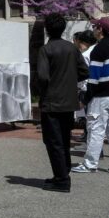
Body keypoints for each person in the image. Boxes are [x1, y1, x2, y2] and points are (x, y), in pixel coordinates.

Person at [37, 13, 89, 192]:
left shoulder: (46, 50)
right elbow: (84, 72)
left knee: (53, 141)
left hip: (51, 102)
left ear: (47, 29)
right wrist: (69, 80)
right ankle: (62, 172)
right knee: (64, 139)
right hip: (68, 102)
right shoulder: (72, 48)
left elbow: (43, 76)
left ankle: (62, 179)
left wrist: (46, 88)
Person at [73, 17, 109, 175]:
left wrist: (85, 99)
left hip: (100, 96)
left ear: (100, 29)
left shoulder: (98, 50)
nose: (93, 29)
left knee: (96, 129)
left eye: (95, 26)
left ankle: (90, 163)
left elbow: (93, 79)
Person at [71, 30, 97, 146]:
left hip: (87, 90)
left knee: (90, 121)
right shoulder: (98, 50)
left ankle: (93, 149)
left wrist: (78, 88)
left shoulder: (85, 55)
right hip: (100, 90)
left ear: (82, 42)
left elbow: (84, 75)